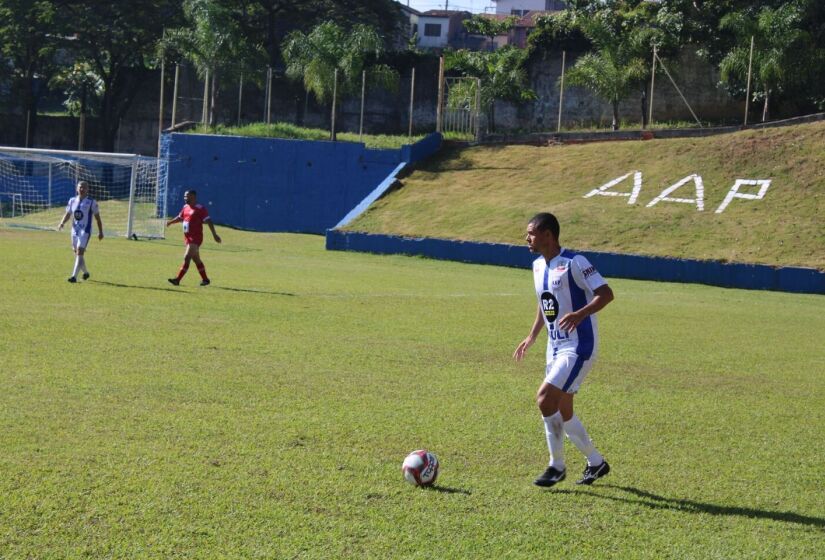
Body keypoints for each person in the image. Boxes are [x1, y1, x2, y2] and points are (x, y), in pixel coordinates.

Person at [513, 212, 614, 487]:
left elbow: (605, 294)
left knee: (545, 398)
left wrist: (580, 314)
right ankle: (596, 462)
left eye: (531, 233)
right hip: (554, 346)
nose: (527, 238)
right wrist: (532, 335)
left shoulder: (575, 262)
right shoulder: (537, 267)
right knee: (564, 409)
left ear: (548, 235)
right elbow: (545, 301)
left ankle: (556, 466)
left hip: (579, 346)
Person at [166, 190, 221, 286]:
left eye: (187, 196)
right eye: (184, 196)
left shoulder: (200, 209)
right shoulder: (185, 207)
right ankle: (205, 279)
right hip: (188, 237)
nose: (185, 198)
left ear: (193, 197)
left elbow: (209, 221)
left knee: (187, 257)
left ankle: (177, 279)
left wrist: (214, 235)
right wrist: (171, 222)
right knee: (196, 259)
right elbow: (180, 217)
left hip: (196, 238)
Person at [57, 180, 103, 283]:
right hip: (74, 230)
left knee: (80, 251)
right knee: (77, 253)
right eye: (80, 187)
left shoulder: (91, 202)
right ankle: (85, 272)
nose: (82, 189)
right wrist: (62, 223)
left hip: (85, 231)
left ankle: (74, 277)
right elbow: (68, 214)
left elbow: (98, 218)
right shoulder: (72, 200)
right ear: (77, 189)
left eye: (84, 187)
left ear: (88, 189)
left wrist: (101, 232)